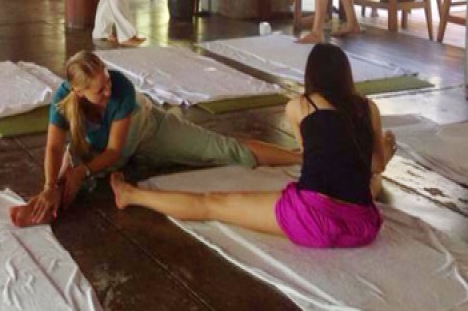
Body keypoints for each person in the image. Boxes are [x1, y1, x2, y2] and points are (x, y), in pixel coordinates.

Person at [110, 43, 397, 249]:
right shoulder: (367, 107)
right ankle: (131, 195)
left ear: (311, 76)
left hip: (311, 218)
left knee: (212, 204)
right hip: (361, 226)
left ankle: (131, 195)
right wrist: (383, 149)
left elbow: (311, 155)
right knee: (366, 183)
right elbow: (376, 165)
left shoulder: (300, 106)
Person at [9, 50, 301, 227]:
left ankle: (298, 157)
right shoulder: (64, 99)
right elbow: (53, 145)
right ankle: (42, 205)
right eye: (99, 90)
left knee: (223, 149)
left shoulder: (121, 88)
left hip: (146, 129)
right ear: (79, 92)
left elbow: (114, 152)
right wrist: (49, 185)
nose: (108, 90)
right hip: (101, 144)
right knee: (67, 176)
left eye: (107, 81)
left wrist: (81, 171)